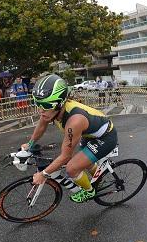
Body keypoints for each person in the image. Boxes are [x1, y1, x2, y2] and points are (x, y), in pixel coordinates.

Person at [21, 74, 118, 203]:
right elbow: (41, 125)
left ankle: (89, 191)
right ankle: (99, 178)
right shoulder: (51, 110)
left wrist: (44, 174)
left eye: (46, 106)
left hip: (106, 137)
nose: (40, 110)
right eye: (37, 104)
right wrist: (30, 143)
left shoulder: (74, 121)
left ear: (60, 104)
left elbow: (65, 156)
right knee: (86, 162)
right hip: (90, 133)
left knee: (72, 168)